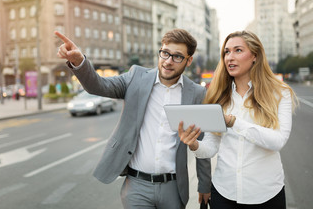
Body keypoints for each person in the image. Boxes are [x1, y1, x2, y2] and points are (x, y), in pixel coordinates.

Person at [55, 28, 211, 208]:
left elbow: (202, 144)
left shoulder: (196, 93)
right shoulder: (136, 77)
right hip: (137, 186)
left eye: (177, 57)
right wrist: (79, 61)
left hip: (174, 187)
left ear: (189, 60)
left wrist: (204, 184)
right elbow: (98, 86)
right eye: (165, 53)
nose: (168, 61)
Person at [178, 30, 297, 209]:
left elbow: (277, 141)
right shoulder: (218, 95)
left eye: (238, 50)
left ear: (255, 56)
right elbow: (211, 146)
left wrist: (234, 122)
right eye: (226, 52)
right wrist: (194, 145)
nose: (230, 57)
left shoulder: (280, 93)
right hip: (224, 193)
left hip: (266, 194)